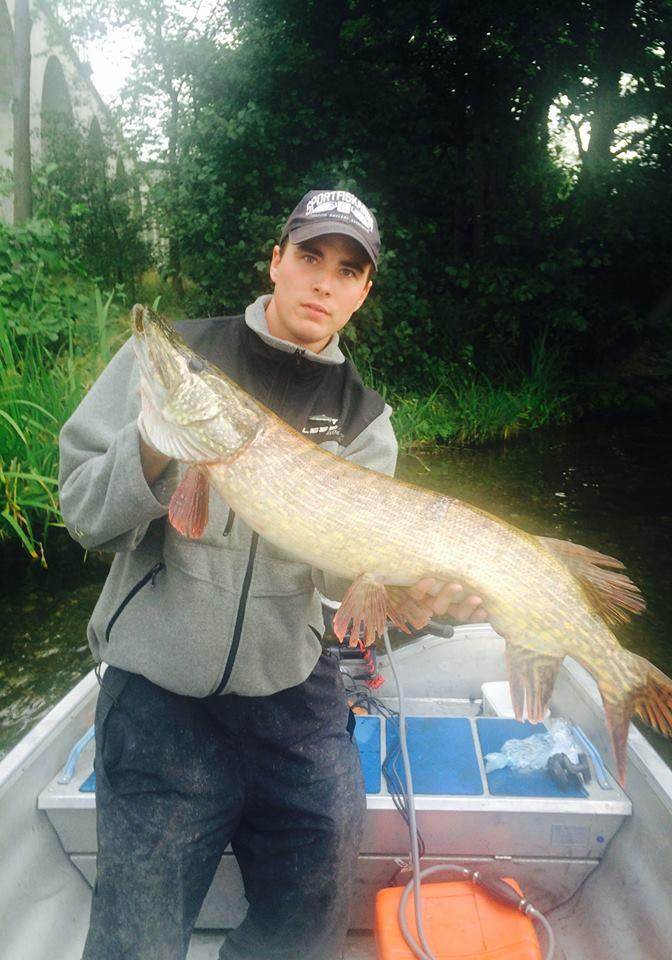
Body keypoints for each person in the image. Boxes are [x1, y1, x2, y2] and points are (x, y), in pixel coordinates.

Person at [58, 188, 486, 960]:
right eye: (310, 257)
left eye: (347, 270)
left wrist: (403, 594)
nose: (324, 282)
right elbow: (85, 516)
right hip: (158, 697)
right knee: (134, 944)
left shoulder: (364, 418)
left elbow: (341, 573)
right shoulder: (180, 356)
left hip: (292, 698)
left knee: (304, 931)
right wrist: (155, 449)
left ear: (362, 294)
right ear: (277, 261)